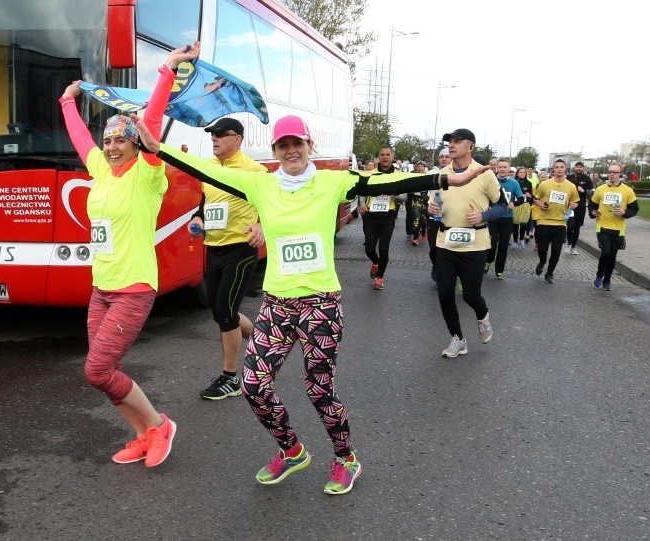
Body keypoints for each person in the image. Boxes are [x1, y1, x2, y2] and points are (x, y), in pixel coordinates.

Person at [134, 112, 488, 494]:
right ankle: (291, 450)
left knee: (319, 389)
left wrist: (448, 178)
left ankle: (345, 458)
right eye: (283, 145)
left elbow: (385, 180)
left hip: (320, 304)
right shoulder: (260, 185)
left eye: (296, 144)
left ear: (309, 147)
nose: (290, 151)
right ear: (275, 150)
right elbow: (206, 169)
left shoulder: (331, 182)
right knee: (253, 383)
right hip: (277, 305)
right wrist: (159, 149)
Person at [58, 43, 201, 467]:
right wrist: (69, 102)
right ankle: (143, 434)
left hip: (133, 288)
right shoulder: (100, 168)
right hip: (101, 287)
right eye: (109, 139)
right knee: (103, 372)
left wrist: (168, 70)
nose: (113, 145)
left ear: (137, 144)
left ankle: (160, 425)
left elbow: (151, 118)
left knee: (96, 370)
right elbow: (81, 137)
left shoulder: (147, 174)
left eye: (122, 138)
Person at [190, 117, 267, 400]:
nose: (214, 138)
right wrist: (197, 219)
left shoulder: (254, 171)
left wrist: (261, 225)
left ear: (238, 139)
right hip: (214, 247)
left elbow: (272, 205)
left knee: (225, 309)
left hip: (241, 248)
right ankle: (263, 341)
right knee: (220, 309)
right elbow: (204, 203)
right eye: (212, 134)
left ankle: (230, 378)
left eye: (221, 134)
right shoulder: (208, 167)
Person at [427, 128, 508, 358]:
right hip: (445, 242)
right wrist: (431, 209)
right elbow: (434, 204)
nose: (451, 145)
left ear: (470, 147)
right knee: (444, 293)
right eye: (449, 142)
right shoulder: (442, 174)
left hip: (475, 244)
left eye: (456, 141)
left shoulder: (484, 174)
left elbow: (502, 206)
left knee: (471, 296)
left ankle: (483, 317)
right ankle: (457, 339)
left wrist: (484, 216)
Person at [589, 162, 639, 291]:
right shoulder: (601, 189)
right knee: (606, 252)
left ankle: (607, 279)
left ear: (620, 174)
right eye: (610, 172)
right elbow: (592, 204)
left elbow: (634, 208)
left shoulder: (627, 191)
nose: (612, 174)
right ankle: (600, 274)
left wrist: (624, 213)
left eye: (615, 172)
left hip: (619, 228)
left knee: (612, 256)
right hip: (602, 226)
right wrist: (593, 212)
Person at [532, 158, 580, 284]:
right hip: (544, 221)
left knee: (556, 251)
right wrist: (540, 204)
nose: (559, 169)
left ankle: (550, 273)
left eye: (561, 167)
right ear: (553, 169)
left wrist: (573, 205)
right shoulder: (545, 184)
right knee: (542, 249)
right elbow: (535, 198)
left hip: (560, 223)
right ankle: (542, 262)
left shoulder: (571, 186)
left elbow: (575, 201)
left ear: (565, 169)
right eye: (557, 167)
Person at [358, 146, 399, 290]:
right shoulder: (370, 174)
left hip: (388, 215)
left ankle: (380, 277)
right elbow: (362, 192)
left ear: (392, 157)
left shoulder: (398, 175)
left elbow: (406, 196)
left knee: (383, 248)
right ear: (379, 158)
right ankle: (375, 263)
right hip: (370, 215)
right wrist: (362, 204)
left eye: (388, 155)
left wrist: (397, 195)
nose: (385, 157)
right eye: (382, 155)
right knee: (369, 248)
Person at [485, 159, 523, 279]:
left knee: (503, 245)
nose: (502, 169)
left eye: (504, 167)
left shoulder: (514, 183)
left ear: (509, 169)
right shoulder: (491, 181)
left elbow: (521, 199)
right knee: (491, 244)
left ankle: (499, 270)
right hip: (493, 217)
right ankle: (488, 261)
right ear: (496, 168)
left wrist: (514, 204)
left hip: (507, 218)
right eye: (500, 167)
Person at [426, 148, 452, 288]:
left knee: (448, 248)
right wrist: (429, 204)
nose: (444, 158)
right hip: (434, 215)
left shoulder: (457, 174)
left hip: (451, 217)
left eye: (447, 156)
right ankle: (436, 267)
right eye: (441, 156)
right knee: (434, 249)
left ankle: (443, 276)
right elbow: (424, 193)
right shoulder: (431, 174)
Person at [565, 160, 593, 255]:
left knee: (577, 227)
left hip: (581, 206)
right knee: (570, 225)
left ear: (583, 168)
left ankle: (573, 246)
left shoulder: (587, 179)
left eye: (581, 167)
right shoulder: (569, 177)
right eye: (577, 167)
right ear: (574, 168)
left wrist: (584, 191)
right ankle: (569, 244)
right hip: (570, 206)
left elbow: (591, 192)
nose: (579, 168)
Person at [512, 166, 534, 248]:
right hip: (516, 204)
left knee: (523, 224)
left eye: (524, 172)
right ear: (517, 174)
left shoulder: (529, 183)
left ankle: (521, 239)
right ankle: (514, 241)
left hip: (525, 205)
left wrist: (530, 196)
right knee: (515, 224)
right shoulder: (513, 182)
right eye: (520, 172)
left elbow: (531, 196)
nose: (522, 174)